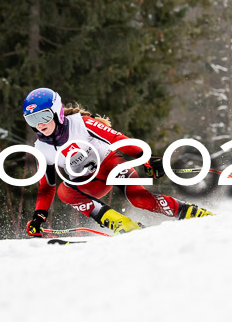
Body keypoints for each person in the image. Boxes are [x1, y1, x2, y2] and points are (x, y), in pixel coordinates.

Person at [22, 87, 213, 237]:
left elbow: (118, 140)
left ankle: (192, 213)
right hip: (89, 182)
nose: (39, 124)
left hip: (111, 165)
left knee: (139, 199)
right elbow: (47, 187)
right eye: (32, 119)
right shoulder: (41, 148)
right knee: (65, 191)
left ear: (57, 113)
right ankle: (120, 222)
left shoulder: (82, 123)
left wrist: (147, 159)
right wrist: (39, 215)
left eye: (44, 116)